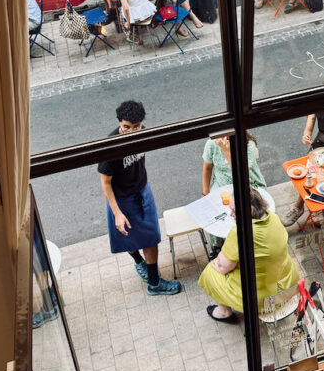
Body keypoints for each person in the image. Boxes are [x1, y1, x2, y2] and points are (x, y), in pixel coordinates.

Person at [98, 100, 181, 296]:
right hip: (122, 199)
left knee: (150, 238)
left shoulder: (142, 133)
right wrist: (117, 213)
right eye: (126, 127)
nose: (131, 132)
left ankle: (154, 283)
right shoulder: (110, 147)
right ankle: (139, 262)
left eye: (136, 127)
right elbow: (105, 184)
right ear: (119, 122)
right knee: (127, 237)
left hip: (142, 190)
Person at [198, 187, 300, 322]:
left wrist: (219, 263)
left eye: (234, 211)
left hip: (264, 298)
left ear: (250, 211)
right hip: (288, 283)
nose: (230, 214)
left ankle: (224, 312)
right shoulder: (274, 218)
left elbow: (223, 267)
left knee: (210, 272)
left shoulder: (240, 232)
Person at [201, 132, 267, 196]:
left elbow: (240, 175)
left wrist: (225, 150)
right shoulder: (212, 143)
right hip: (221, 185)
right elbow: (207, 168)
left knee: (250, 204)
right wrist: (205, 193)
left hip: (249, 184)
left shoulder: (248, 144)